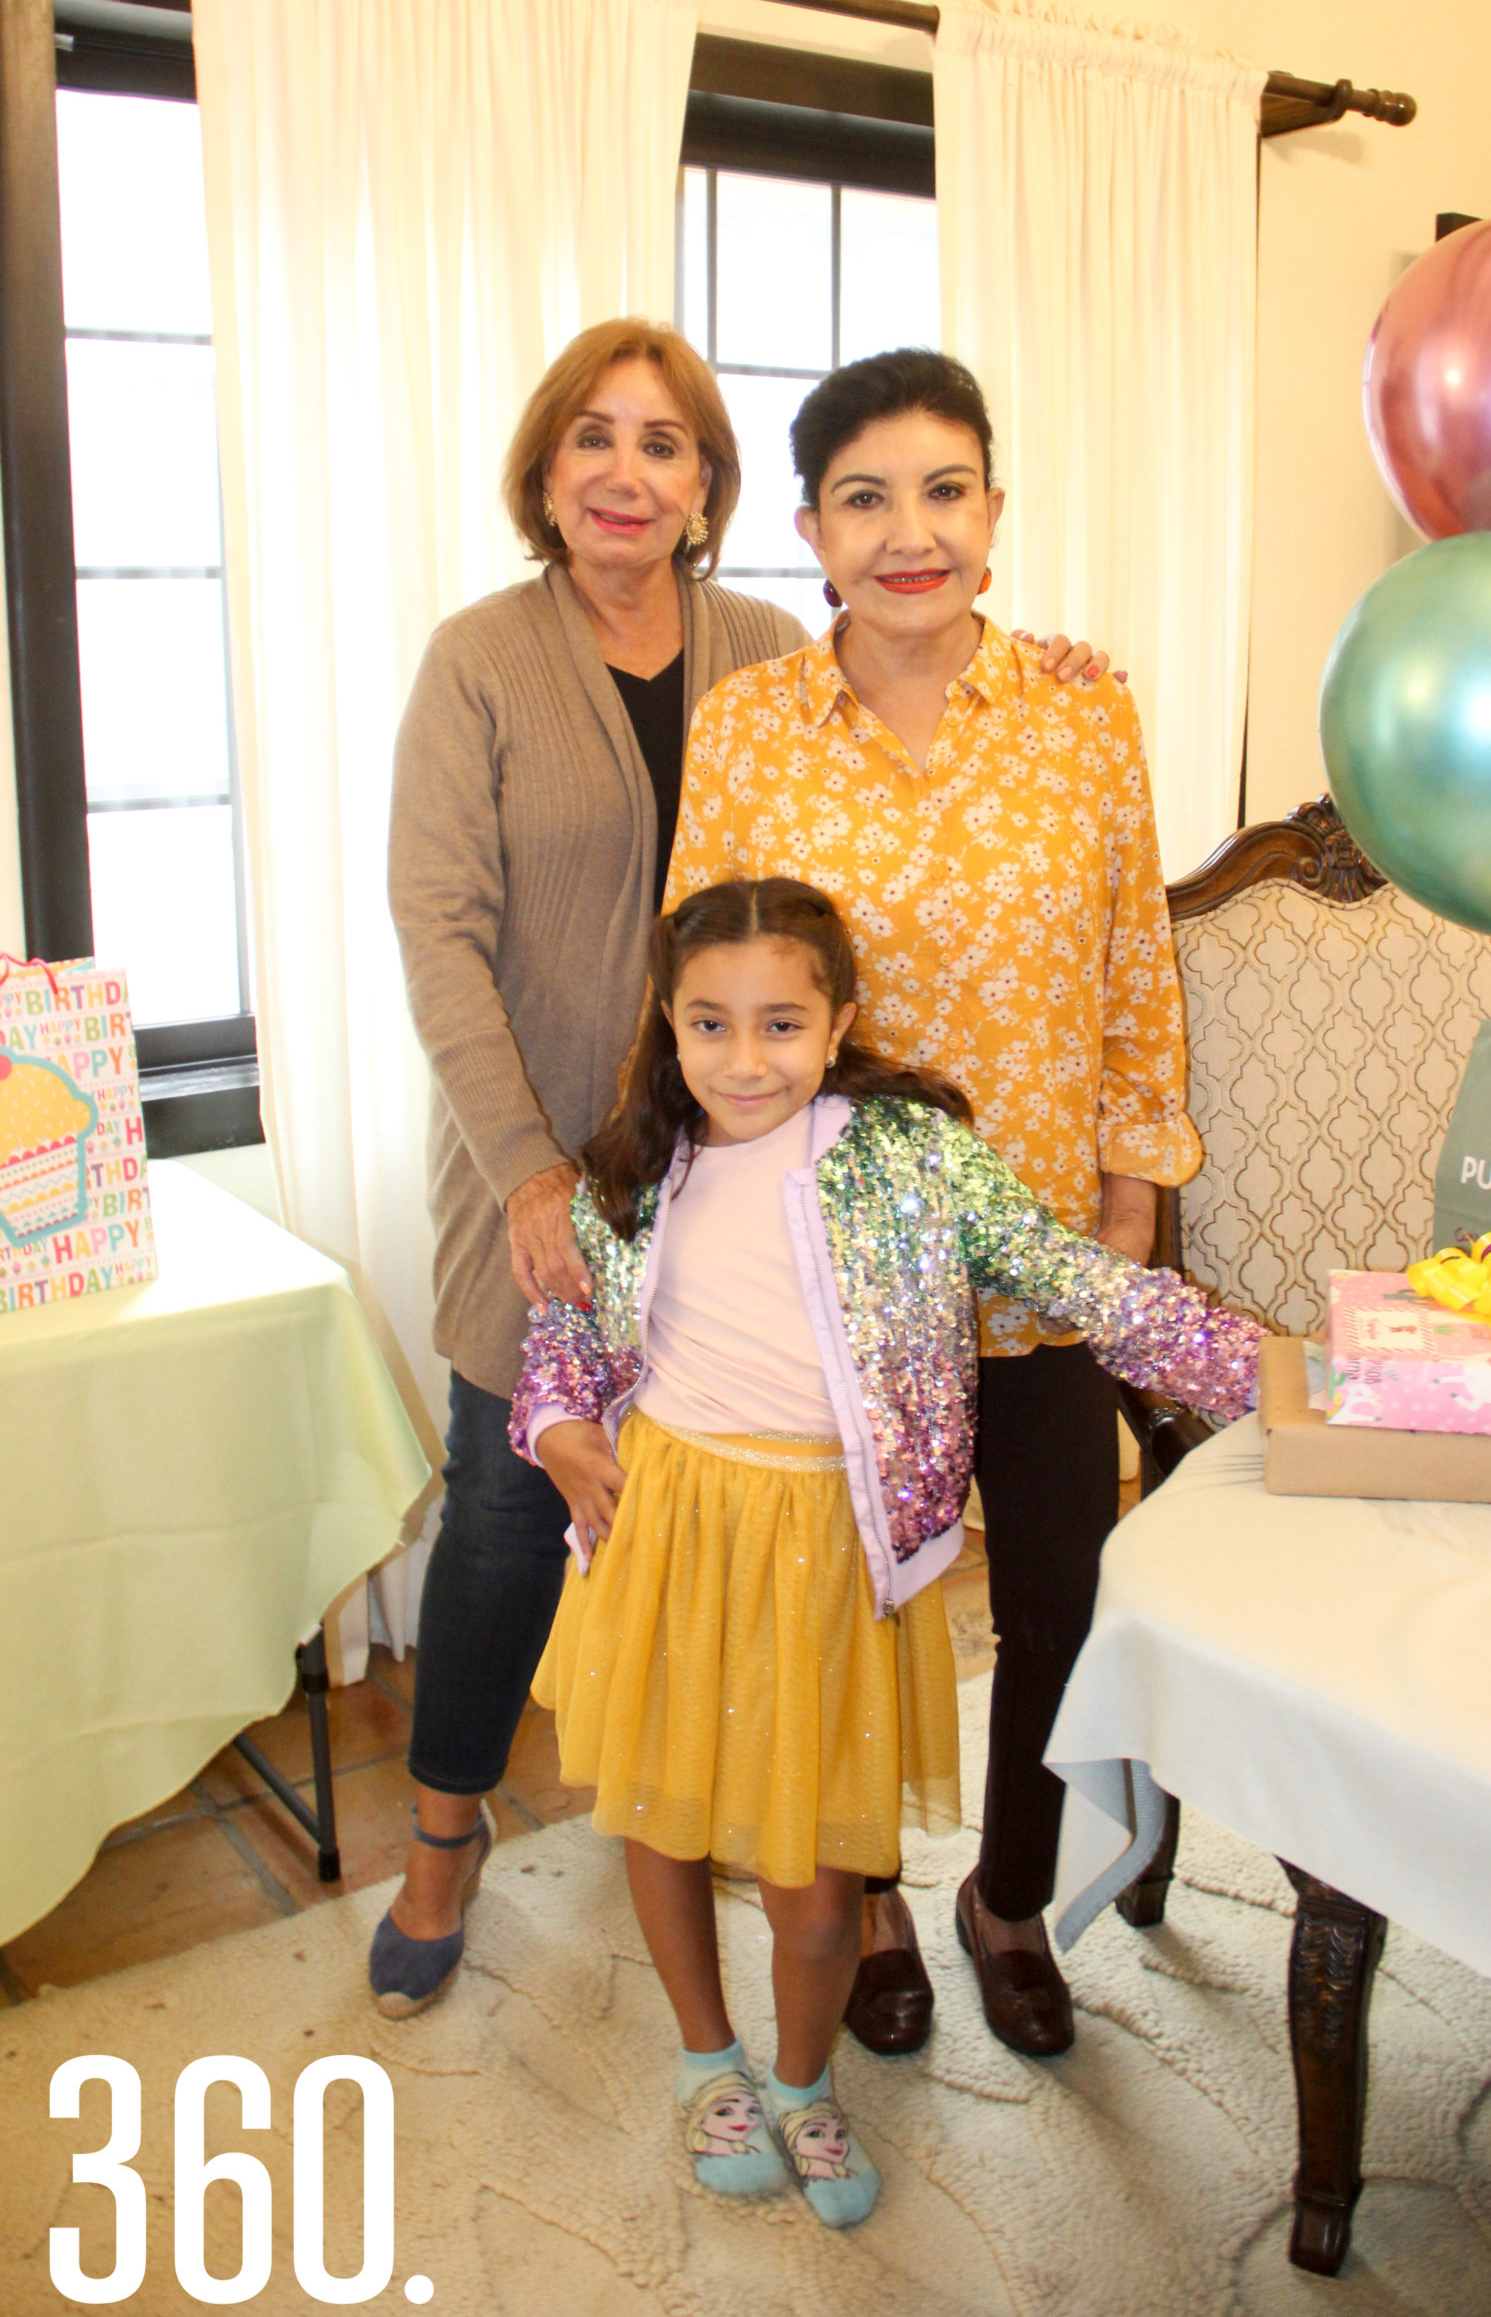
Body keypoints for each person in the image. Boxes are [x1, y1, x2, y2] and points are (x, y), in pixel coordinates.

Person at [376, 320, 1115, 2017]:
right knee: (508, 1506)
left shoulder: (770, 645)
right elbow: (438, 933)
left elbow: (910, 682)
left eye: (667, 446)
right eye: (595, 441)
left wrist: (1044, 668)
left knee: (755, 1513)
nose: (629, 476)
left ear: (714, 489)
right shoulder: (479, 661)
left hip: (761, 1169)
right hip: (550, 1164)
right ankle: (441, 1839)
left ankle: (783, 1843)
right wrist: (533, 1169)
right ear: (547, 469)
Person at [513, 877, 1260, 2226]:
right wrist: (560, 1428)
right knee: (659, 1811)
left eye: (782, 1025)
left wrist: (1276, 1373)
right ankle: (705, 2057)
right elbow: (569, 1337)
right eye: (711, 1026)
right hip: (671, 1530)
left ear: (840, 1020)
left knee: (816, 1886)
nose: (746, 1061)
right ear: (668, 1027)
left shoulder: (907, 1157)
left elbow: (1072, 1274)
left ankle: (802, 2082)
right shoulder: (630, 1170)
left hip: (832, 1550)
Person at [664, 348, 1206, 2059]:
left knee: (1058, 1587)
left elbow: (1137, 957)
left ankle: (1007, 1897)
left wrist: (1131, 1184)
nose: (913, 533)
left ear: (995, 508)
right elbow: (702, 989)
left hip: (1044, 1242)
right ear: (813, 533)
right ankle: (872, 1903)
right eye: (867, 499)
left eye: (946, 490)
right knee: (857, 1610)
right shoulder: (751, 725)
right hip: (835, 1271)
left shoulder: (1082, 701)